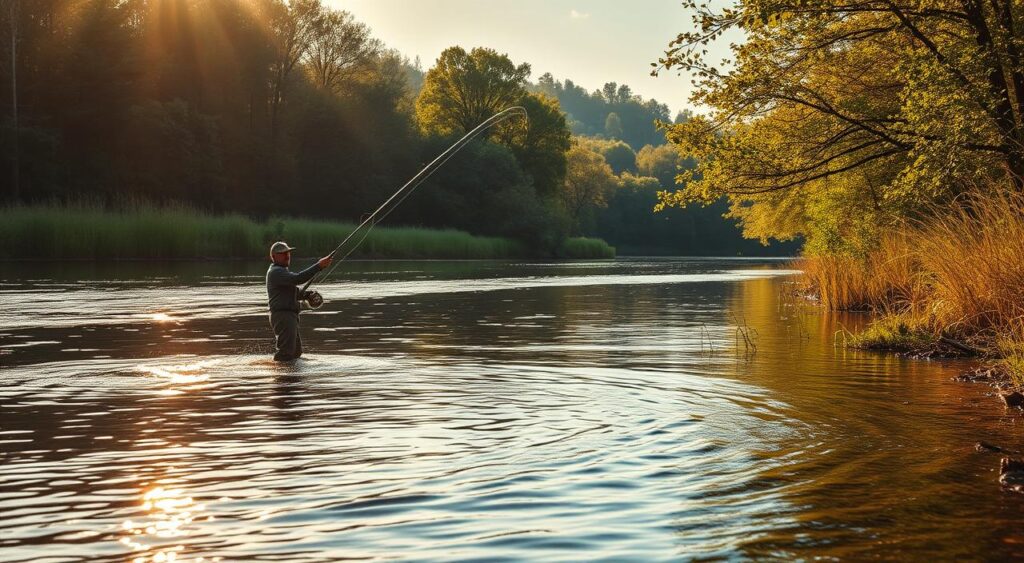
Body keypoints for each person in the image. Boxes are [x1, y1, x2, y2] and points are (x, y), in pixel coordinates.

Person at [266, 241, 333, 362]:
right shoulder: (276, 272)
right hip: (283, 316)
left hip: (288, 315)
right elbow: (298, 278)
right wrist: (319, 266)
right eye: (282, 253)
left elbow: (293, 292)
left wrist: (307, 295)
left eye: (288, 253)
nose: (287, 256)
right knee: (286, 353)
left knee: (296, 353)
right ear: (273, 256)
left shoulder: (281, 272)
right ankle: (281, 378)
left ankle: (293, 378)